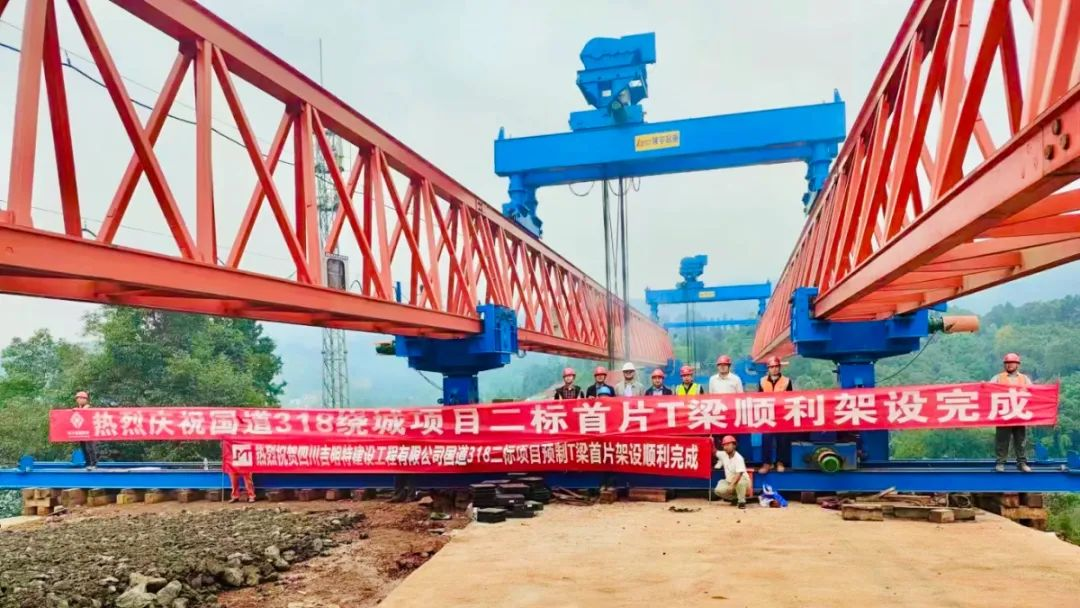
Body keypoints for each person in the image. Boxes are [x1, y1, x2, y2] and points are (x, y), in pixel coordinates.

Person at [992, 353, 1032, 473]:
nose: (1009, 365)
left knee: (1020, 440)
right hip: (1003, 414)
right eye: (1007, 363)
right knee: (1002, 440)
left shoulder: (1024, 379)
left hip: (1019, 413)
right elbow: (988, 389)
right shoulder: (998, 378)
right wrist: (983, 386)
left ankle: (1022, 463)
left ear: (1017, 365)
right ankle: (1000, 462)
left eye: (1012, 363)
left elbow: (1033, 392)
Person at [758, 356, 795, 474]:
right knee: (766, 438)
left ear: (779, 367)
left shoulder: (787, 381)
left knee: (782, 439)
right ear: (768, 368)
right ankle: (767, 463)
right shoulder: (762, 381)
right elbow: (758, 398)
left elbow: (790, 398)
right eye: (771, 367)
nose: (774, 369)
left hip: (781, 414)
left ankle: (780, 462)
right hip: (767, 414)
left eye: (776, 366)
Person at [714, 435, 749, 509]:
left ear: (734, 445)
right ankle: (735, 499)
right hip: (729, 481)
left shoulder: (739, 458)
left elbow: (739, 474)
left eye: (728, 444)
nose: (726, 447)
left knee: (740, 482)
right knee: (718, 490)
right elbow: (714, 451)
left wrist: (732, 485)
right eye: (724, 445)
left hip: (742, 481)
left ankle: (742, 502)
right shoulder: (723, 454)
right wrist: (710, 441)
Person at [74, 390, 98, 469]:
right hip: (82, 431)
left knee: (90, 448)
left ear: (84, 399)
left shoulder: (88, 407)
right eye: (77, 398)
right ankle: (88, 463)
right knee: (84, 448)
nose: (78, 400)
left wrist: (78, 410)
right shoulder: (79, 408)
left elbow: (86, 412)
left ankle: (93, 464)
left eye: (79, 398)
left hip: (90, 431)